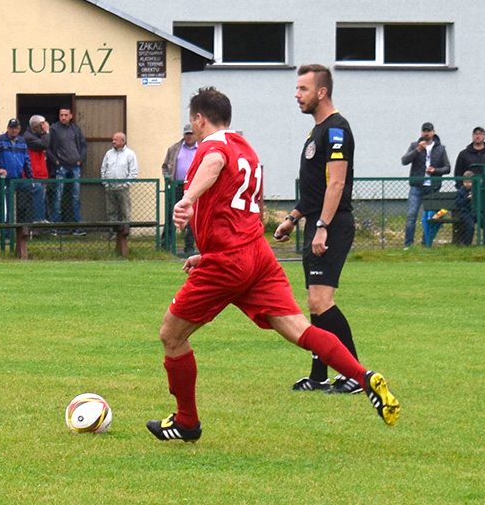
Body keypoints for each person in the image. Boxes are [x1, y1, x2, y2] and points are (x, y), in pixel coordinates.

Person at [145, 86, 400, 443]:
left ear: (200, 120)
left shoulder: (212, 146)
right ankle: (362, 375)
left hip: (229, 262)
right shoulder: (246, 148)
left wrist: (187, 200)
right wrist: (207, 251)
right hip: (256, 256)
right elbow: (238, 209)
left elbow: (214, 162)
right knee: (299, 330)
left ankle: (186, 421)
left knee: (171, 336)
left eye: (193, 123)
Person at [274, 64, 362, 395]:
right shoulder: (317, 131)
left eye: (303, 89)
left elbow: (336, 184)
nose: (297, 95)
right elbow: (314, 189)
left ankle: (355, 374)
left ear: (322, 92)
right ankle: (318, 375)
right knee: (314, 304)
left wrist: (322, 226)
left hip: (333, 224)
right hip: (316, 222)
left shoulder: (337, 130)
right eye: (297, 89)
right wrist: (293, 218)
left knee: (321, 301)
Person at [401, 122, 451, 248]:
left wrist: (436, 171)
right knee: (411, 216)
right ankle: (408, 245)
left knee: (432, 217)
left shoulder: (440, 149)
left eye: (428, 131)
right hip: (417, 186)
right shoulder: (415, 146)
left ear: (433, 133)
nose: (426, 133)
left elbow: (447, 168)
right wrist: (418, 150)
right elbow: (404, 160)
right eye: (424, 131)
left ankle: (426, 243)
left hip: (432, 187)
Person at [0, 118, 42, 225]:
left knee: (37, 188)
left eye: (16, 128)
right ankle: (5, 235)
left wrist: (30, 177)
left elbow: (26, 161)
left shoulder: (22, 141)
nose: (14, 130)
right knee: (5, 208)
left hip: (18, 179)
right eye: (11, 128)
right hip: (4, 181)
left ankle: (39, 219)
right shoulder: (0, 141)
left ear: (19, 129)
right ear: (7, 128)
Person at [454, 127, 485, 246]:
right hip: (469, 198)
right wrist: (464, 188)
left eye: (480, 134)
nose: (478, 136)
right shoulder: (464, 154)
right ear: (472, 136)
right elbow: (458, 173)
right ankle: (465, 244)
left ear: (484, 136)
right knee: (468, 220)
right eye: (475, 134)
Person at [49, 106, 88, 235]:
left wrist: (80, 159)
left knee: (75, 197)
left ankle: (77, 227)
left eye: (66, 115)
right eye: (61, 115)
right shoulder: (54, 129)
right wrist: (56, 161)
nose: (63, 117)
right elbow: (47, 148)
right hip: (61, 167)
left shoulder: (75, 129)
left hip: (75, 166)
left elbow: (83, 145)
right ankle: (54, 227)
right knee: (58, 197)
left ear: (71, 116)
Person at [162, 123, 198, 254]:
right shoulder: (174, 149)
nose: (189, 137)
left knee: (192, 217)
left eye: (191, 134)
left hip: (193, 187)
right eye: (187, 134)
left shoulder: (201, 149)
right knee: (172, 213)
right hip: (177, 186)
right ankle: (166, 244)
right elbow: (165, 166)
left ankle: (189, 246)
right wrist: (168, 178)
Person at [100, 132, 138, 227]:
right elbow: (103, 169)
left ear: (123, 141)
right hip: (110, 188)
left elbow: (133, 171)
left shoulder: (130, 154)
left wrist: (125, 185)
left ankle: (125, 232)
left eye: (116, 140)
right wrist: (105, 183)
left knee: (125, 211)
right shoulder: (109, 154)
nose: (113, 141)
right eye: (113, 139)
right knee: (111, 211)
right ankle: (113, 233)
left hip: (123, 189)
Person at [23, 115, 52, 222]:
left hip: (41, 173)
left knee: (41, 200)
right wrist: (47, 132)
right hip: (34, 175)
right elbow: (45, 145)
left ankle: (38, 224)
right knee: (33, 201)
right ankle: (32, 225)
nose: (44, 127)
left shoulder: (36, 136)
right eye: (42, 125)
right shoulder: (29, 137)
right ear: (36, 127)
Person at [454, 171, 475, 245]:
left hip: (474, 212)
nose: (467, 184)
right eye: (465, 182)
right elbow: (458, 203)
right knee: (470, 226)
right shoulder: (460, 191)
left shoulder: (476, 190)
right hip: (464, 212)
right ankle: (467, 244)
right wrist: (467, 199)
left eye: (470, 182)